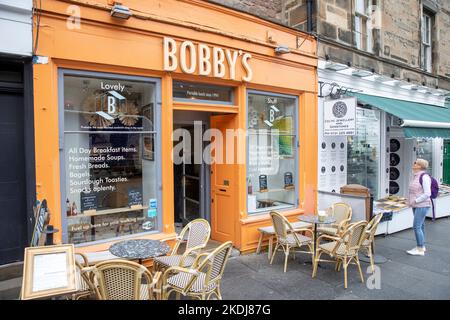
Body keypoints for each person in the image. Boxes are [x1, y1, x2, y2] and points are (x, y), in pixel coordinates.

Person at [407, 158, 431, 256]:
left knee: (416, 226)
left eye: (415, 163)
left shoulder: (424, 177)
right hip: (416, 204)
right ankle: (422, 246)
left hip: (422, 205)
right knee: (420, 226)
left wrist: (415, 201)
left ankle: (420, 249)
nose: (413, 164)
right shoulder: (416, 176)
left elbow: (427, 193)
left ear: (420, 166)